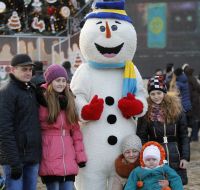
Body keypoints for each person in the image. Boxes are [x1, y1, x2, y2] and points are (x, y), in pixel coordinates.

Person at [37, 64, 87, 190]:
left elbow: (76, 132)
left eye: (64, 80)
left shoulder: (69, 100)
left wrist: (80, 157)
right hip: (50, 154)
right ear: (50, 82)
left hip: (68, 157)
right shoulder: (42, 100)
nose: (61, 84)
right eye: (57, 80)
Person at [137, 75, 190, 185]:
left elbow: (184, 136)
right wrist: (146, 156)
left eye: (159, 93)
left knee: (175, 183)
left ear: (164, 92)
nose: (156, 96)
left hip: (175, 153)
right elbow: (141, 136)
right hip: (155, 156)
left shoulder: (177, 109)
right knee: (158, 184)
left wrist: (185, 157)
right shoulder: (146, 112)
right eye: (152, 94)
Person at [0, 54, 41, 190]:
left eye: (30, 69)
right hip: (14, 159)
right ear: (13, 70)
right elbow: (4, 129)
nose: (28, 72)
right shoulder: (7, 92)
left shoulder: (31, 90)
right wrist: (13, 162)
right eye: (24, 69)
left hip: (32, 157)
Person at [183, 66, 200, 141]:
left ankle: (189, 137)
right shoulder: (194, 80)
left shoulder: (185, 81)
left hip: (189, 106)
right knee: (195, 121)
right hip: (196, 105)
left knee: (186, 122)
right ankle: (194, 136)